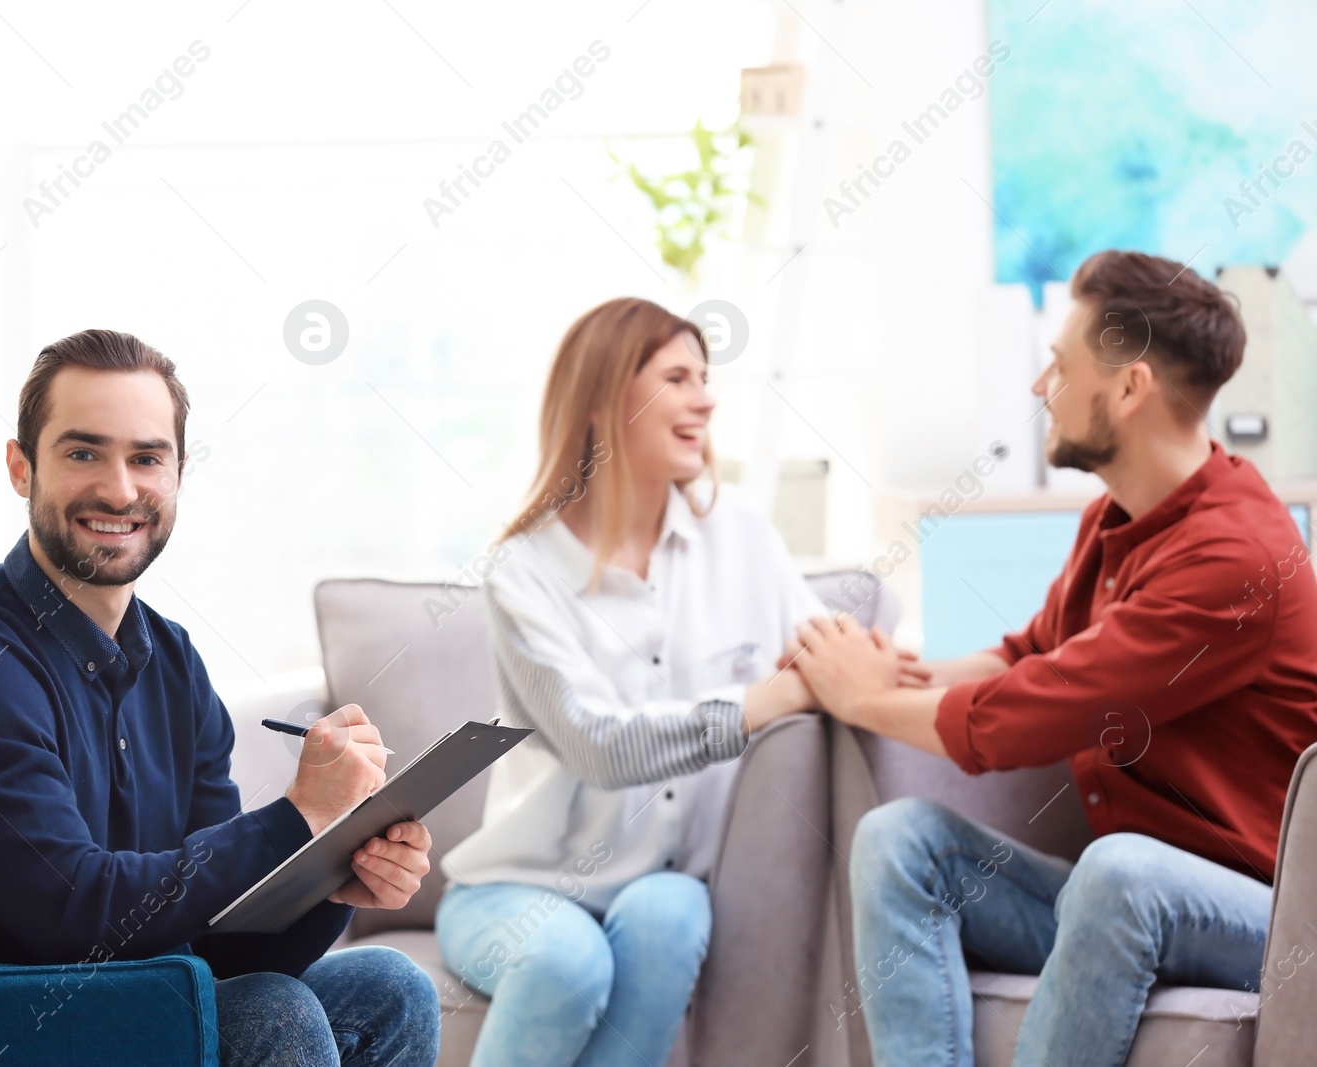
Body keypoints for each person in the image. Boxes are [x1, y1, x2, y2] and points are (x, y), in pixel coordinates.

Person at [0, 329, 440, 1067]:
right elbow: (74, 911)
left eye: (146, 458)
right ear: (21, 468)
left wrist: (334, 870)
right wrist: (296, 817)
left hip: (108, 1013)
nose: (120, 490)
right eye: (84, 453)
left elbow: (218, 938)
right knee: (270, 1016)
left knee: (390, 986)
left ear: (179, 474)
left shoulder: (174, 661)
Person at [786, 250, 1317, 1066]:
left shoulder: (1235, 560)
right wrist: (905, 674)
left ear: (1130, 388)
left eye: (1059, 365)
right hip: (1127, 900)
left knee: (1122, 871)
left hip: (1269, 919)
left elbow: (1035, 713)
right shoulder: (1116, 517)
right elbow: (1035, 654)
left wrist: (861, 702)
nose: (1041, 387)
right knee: (900, 840)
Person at [437, 297, 825, 1066]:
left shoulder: (742, 534)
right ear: (604, 400)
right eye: (678, 377)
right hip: (518, 889)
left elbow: (826, 652)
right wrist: (760, 700)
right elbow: (596, 743)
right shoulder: (523, 571)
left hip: (661, 882)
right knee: (565, 960)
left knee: (672, 914)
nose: (706, 398)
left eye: (706, 377)